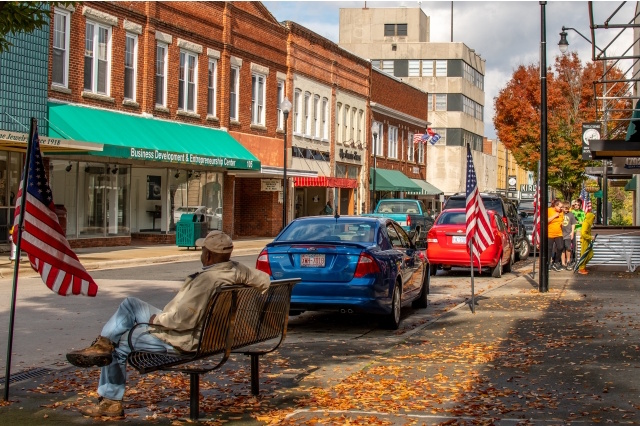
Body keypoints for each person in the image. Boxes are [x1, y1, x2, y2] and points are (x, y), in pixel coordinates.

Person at [65, 231, 270, 418]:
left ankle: (110, 401)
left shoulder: (207, 281)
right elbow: (264, 280)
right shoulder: (235, 269)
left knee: (119, 342)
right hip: (205, 334)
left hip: (181, 339)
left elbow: (182, 320)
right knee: (131, 305)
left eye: (203, 250)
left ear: (208, 256)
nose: (201, 253)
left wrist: (158, 320)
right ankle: (102, 344)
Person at [547, 199, 564, 272]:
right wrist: (554, 216)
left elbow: (562, 220)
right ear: (555, 206)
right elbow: (546, 220)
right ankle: (548, 263)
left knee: (560, 247)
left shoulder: (561, 212)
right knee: (549, 249)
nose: (561, 208)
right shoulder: (549, 210)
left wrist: (563, 224)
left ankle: (556, 262)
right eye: (560, 207)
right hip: (550, 233)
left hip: (559, 233)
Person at [561, 201, 577, 270]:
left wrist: (572, 232)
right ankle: (563, 263)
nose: (566, 210)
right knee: (562, 249)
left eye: (567, 208)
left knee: (568, 248)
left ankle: (568, 261)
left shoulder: (571, 215)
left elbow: (573, 223)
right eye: (565, 208)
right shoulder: (560, 214)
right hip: (561, 234)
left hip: (568, 233)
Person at [570, 199, 585, 264]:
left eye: (578, 205)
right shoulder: (571, 212)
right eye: (575, 204)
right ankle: (572, 259)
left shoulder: (582, 212)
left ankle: (577, 259)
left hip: (579, 230)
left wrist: (578, 222)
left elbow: (583, 222)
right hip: (572, 230)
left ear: (580, 205)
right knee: (571, 246)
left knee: (577, 246)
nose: (576, 206)